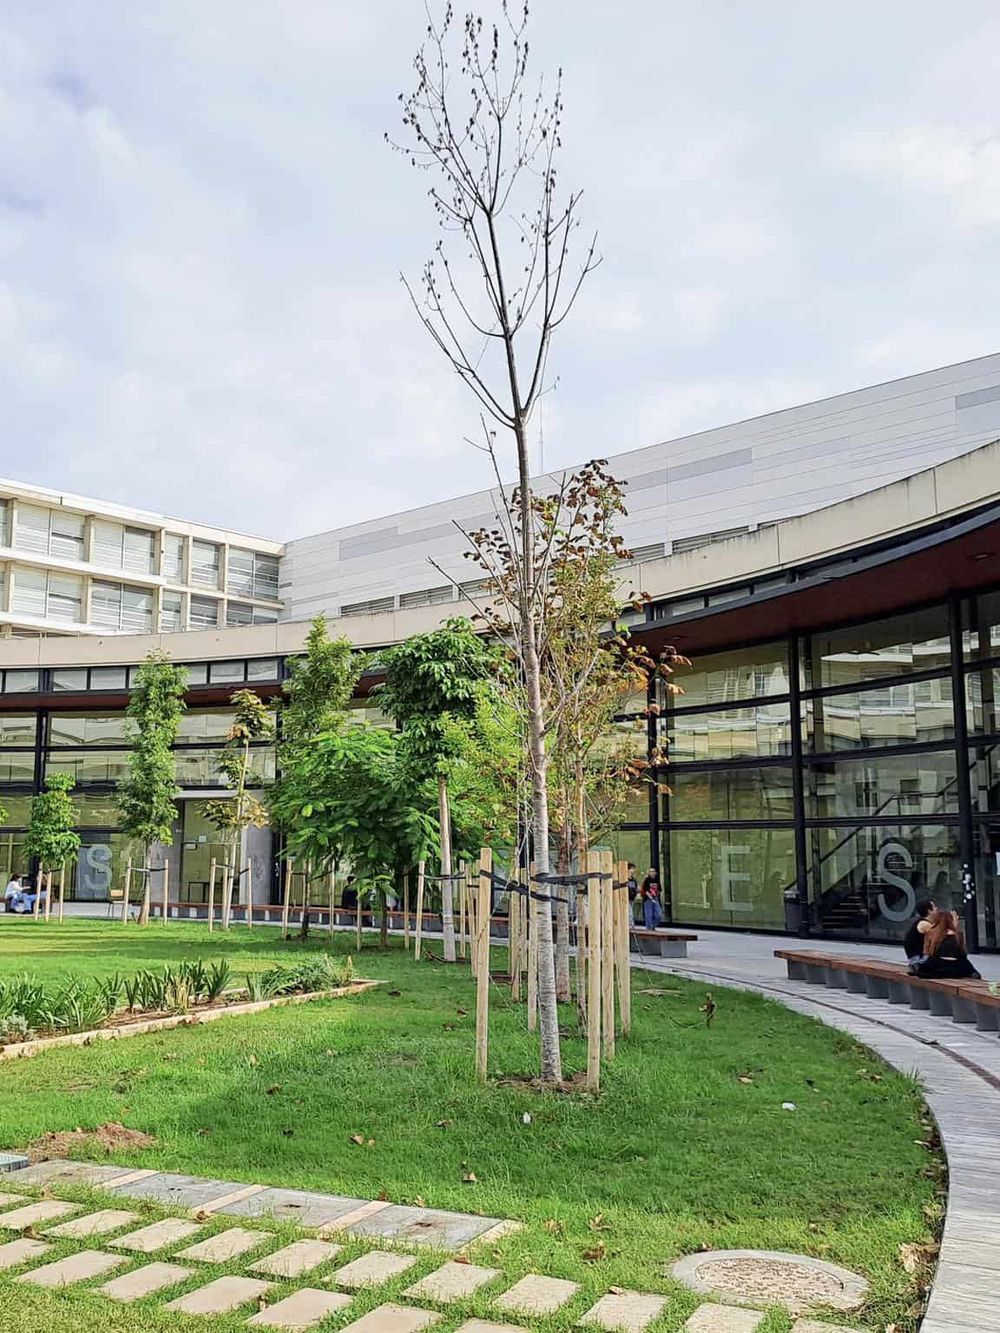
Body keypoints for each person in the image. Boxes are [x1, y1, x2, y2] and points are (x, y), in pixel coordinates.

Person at [910, 910, 981, 979]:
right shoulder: (959, 933)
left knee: (926, 965)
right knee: (964, 961)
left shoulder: (931, 932)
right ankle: (973, 972)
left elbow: (927, 952)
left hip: (938, 965)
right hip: (957, 967)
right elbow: (962, 953)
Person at [903, 898, 936, 966]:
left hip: (917, 958)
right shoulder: (925, 924)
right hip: (919, 960)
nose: (937, 908)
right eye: (934, 907)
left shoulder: (921, 922)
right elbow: (938, 940)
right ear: (929, 910)